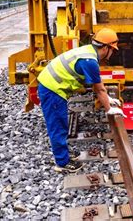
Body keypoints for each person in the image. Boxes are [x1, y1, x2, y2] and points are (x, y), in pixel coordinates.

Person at [37, 28, 125, 173]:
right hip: (52, 89)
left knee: (61, 123)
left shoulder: (88, 51)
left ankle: (63, 154)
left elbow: (99, 87)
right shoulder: (90, 61)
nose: (112, 53)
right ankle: (62, 162)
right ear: (106, 47)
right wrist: (109, 108)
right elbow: (99, 89)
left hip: (51, 85)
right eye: (112, 49)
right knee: (58, 125)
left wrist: (107, 98)